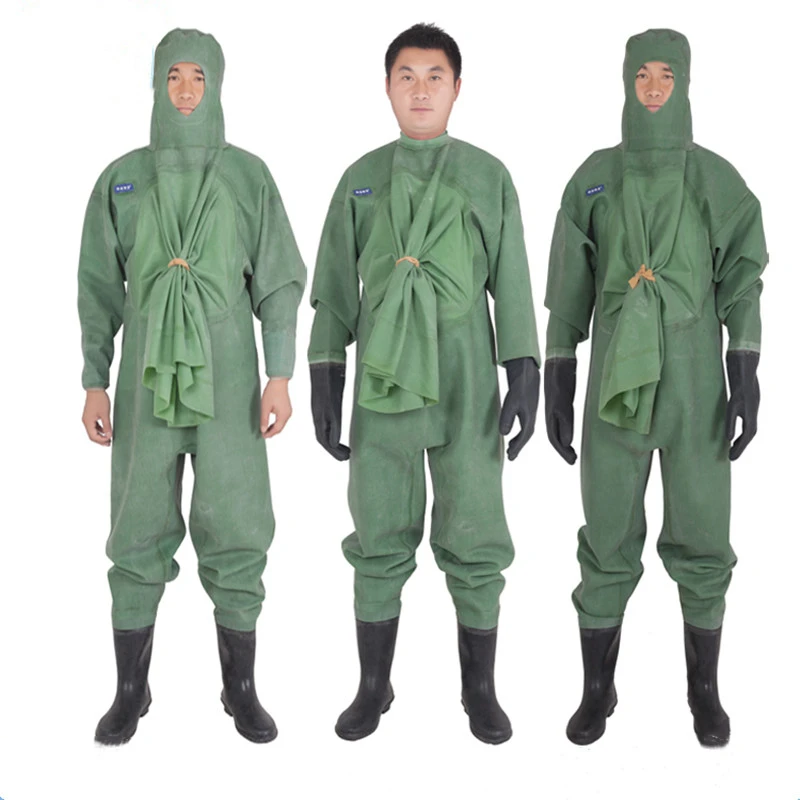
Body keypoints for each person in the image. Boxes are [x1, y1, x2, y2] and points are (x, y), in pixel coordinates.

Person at [308, 23, 540, 744]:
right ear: (386, 87)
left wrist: (525, 369)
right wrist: (324, 372)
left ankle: (480, 690)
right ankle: (373, 686)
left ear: (458, 88)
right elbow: (335, 286)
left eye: (434, 76)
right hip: (384, 379)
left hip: (467, 375)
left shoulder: (488, 175)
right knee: (378, 526)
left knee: (476, 526)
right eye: (405, 76)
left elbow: (512, 280)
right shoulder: (360, 178)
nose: (420, 89)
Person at [78, 28, 305, 745]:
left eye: (197, 77)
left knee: (236, 522)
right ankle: (130, 689)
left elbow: (278, 280)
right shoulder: (121, 179)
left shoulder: (247, 176)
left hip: (230, 379)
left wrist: (279, 373)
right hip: (145, 380)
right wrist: (93, 381)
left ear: (217, 85)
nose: (184, 90)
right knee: (137, 523)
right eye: (173, 76)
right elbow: (97, 287)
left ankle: (240, 688)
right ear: (155, 84)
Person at [544, 29, 767, 747]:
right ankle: (597, 688)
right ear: (625, 80)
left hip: (697, 386)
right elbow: (568, 288)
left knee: (704, 531)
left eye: (667, 74)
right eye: (642, 73)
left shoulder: (716, 180)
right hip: (615, 386)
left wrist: (746, 366)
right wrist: (556, 371)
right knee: (607, 530)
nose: (653, 86)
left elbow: (743, 279)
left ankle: (704, 689)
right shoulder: (593, 178)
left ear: (686, 82)